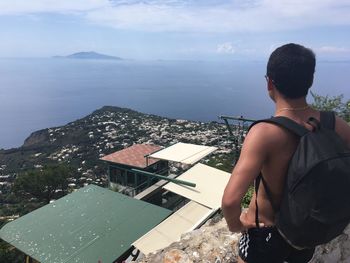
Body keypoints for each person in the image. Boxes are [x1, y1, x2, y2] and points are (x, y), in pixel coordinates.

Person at [221, 43, 350, 263]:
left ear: (269, 82)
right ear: (310, 82)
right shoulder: (336, 125)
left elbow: (230, 200)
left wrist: (237, 225)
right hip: (307, 232)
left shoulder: (264, 133)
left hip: (265, 234)